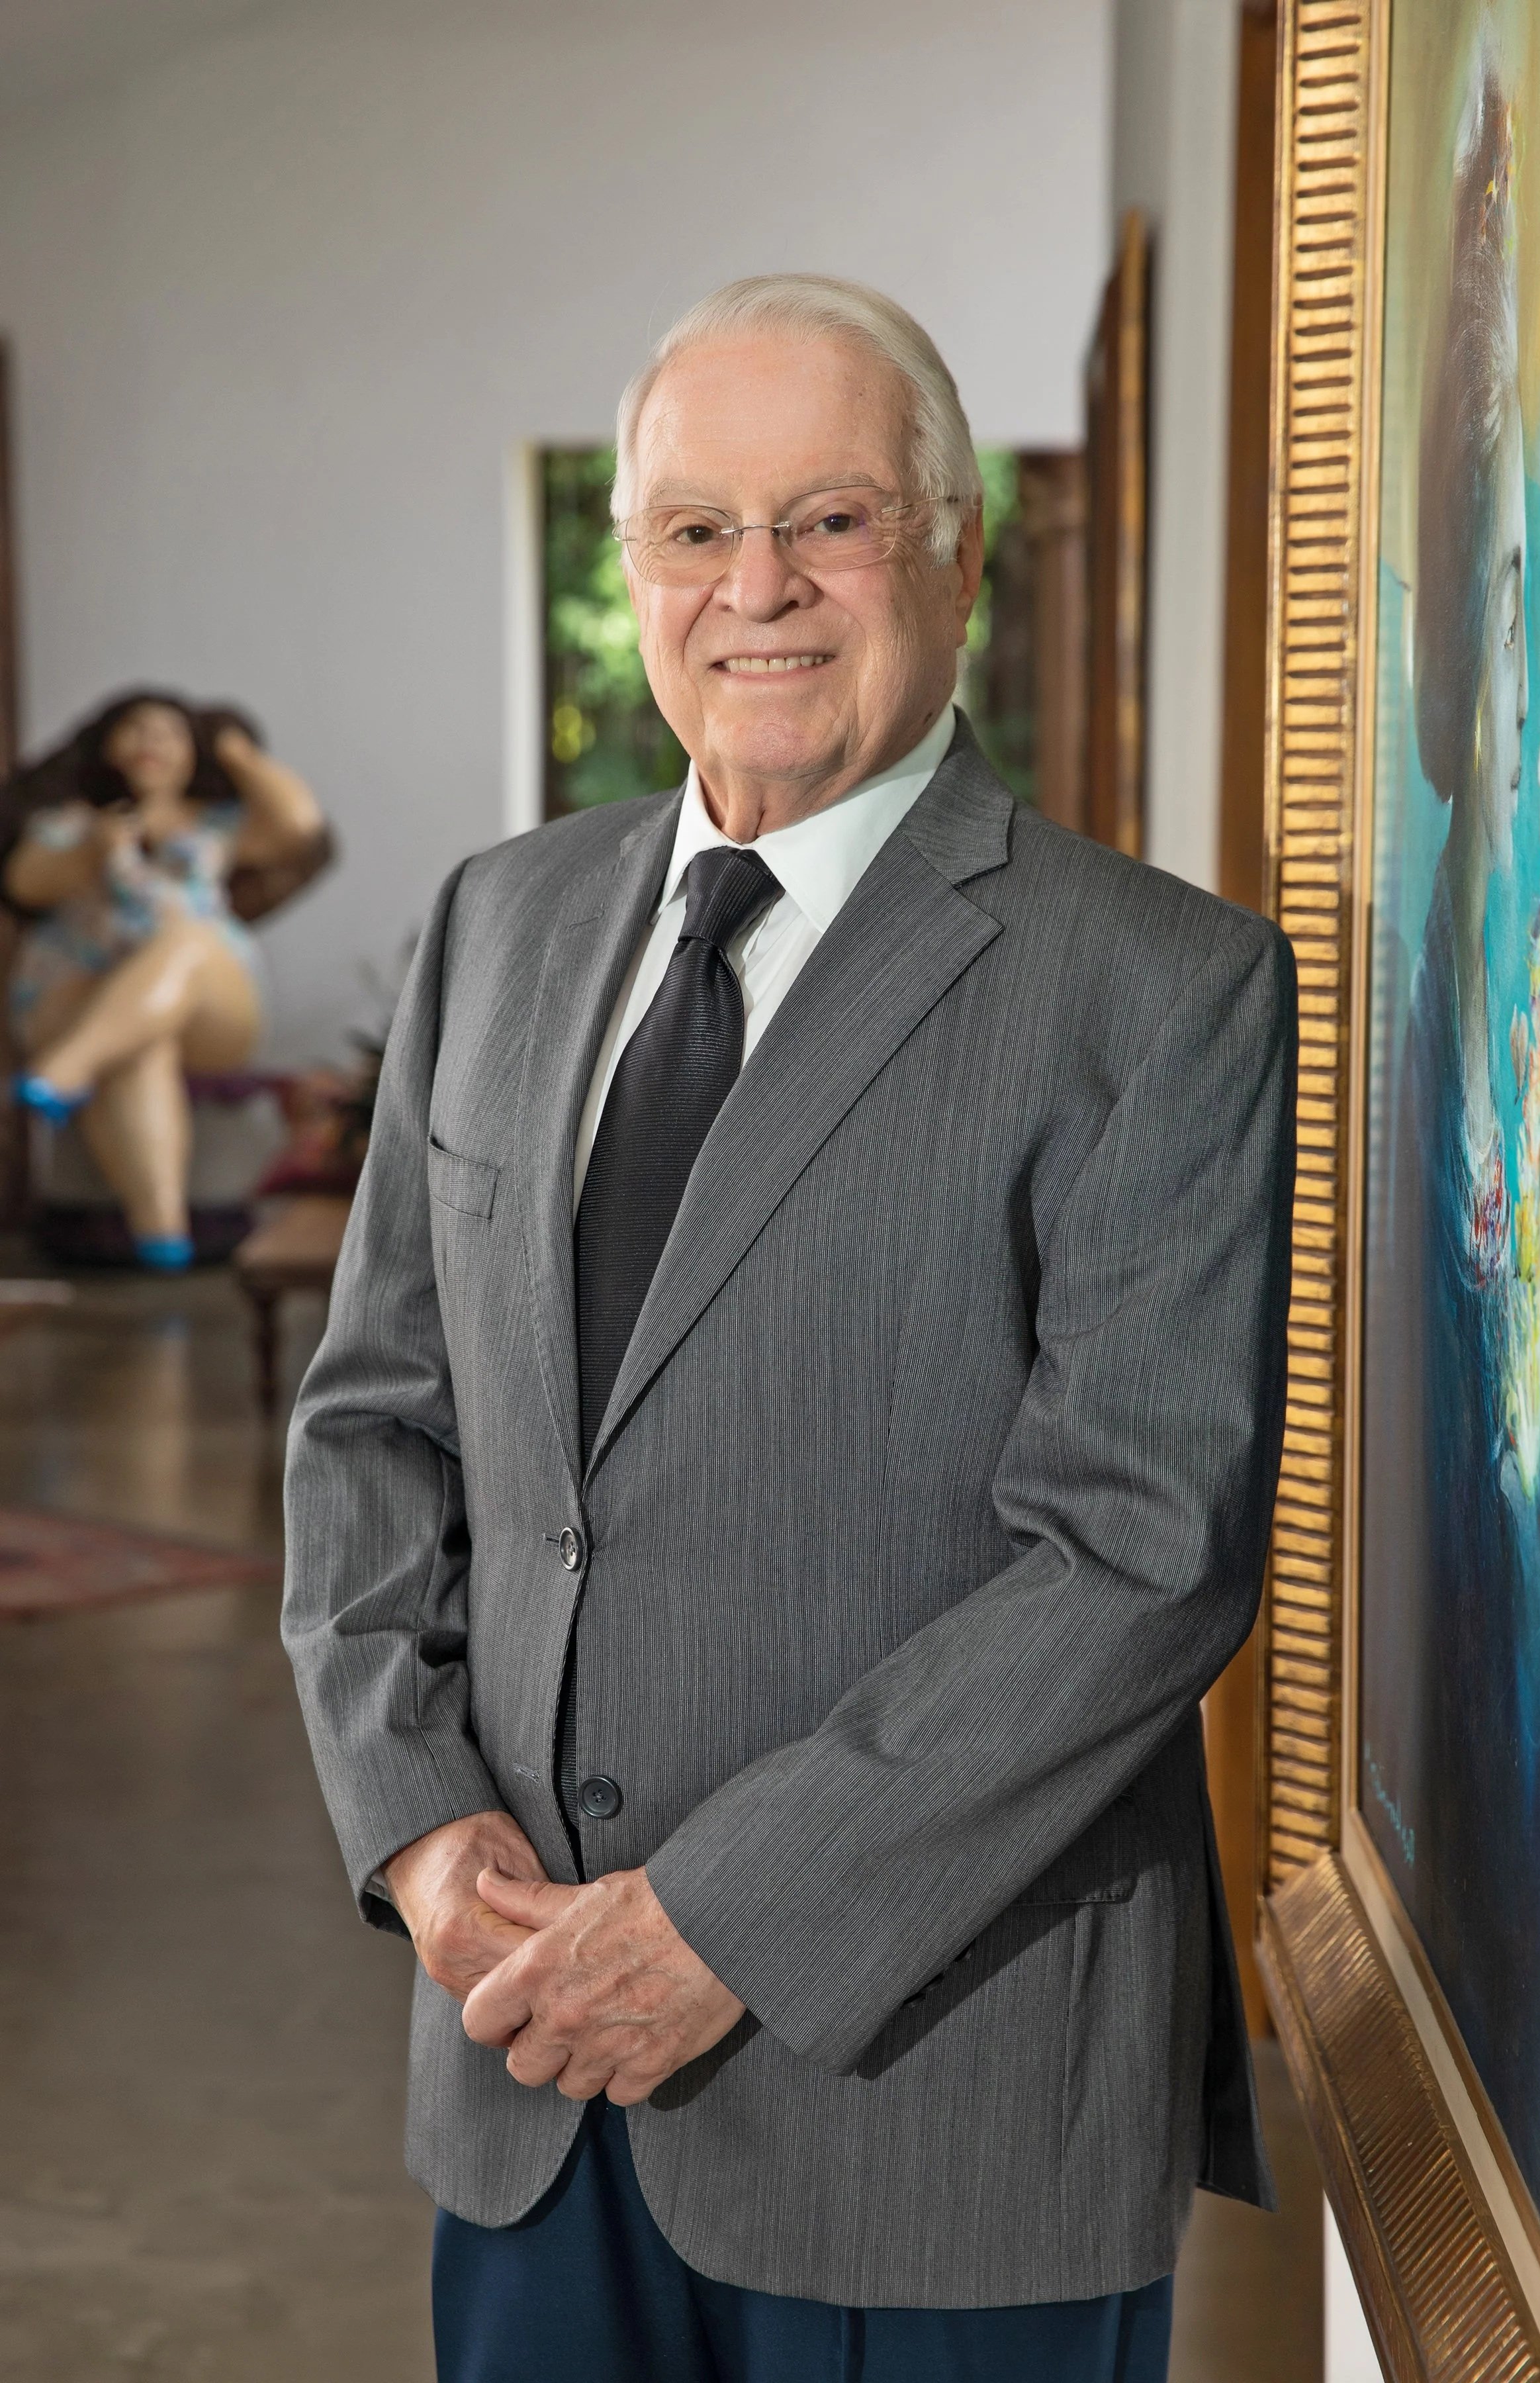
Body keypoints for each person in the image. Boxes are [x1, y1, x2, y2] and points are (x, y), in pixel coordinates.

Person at [283, 274, 1296, 2383]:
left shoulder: (1155, 989)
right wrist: (415, 1825)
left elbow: (1136, 1555)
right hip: (529, 2074)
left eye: (829, 519)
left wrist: (717, 1923)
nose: (757, 587)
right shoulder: (496, 923)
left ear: (954, 553)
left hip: (931, 2100)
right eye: (692, 531)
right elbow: (374, 1427)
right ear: (630, 565)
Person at [4, 690, 326, 1268]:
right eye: (135, 729)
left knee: (182, 941)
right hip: (79, 991)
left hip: (213, 1001)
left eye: (171, 733)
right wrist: (96, 850)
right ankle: (162, 1233)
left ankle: (63, 1071)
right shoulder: (69, 826)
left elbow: (300, 823)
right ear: (104, 747)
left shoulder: (220, 826)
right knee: (139, 1044)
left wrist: (231, 744)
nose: (152, 742)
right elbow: (27, 883)